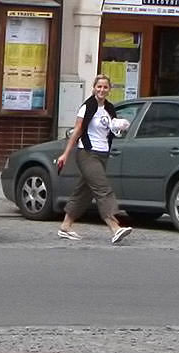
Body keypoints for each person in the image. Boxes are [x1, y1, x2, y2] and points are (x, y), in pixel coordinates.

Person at [55, 74, 133, 245]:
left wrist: (119, 127)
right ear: (94, 88)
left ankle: (65, 226)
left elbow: (111, 130)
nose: (102, 90)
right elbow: (77, 131)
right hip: (87, 154)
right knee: (102, 188)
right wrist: (65, 154)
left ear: (109, 89)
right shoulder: (87, 106)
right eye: (99, 87)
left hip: (103, 154)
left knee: (84, 191)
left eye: (105, 87)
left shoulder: (110, 108)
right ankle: (115, 227)